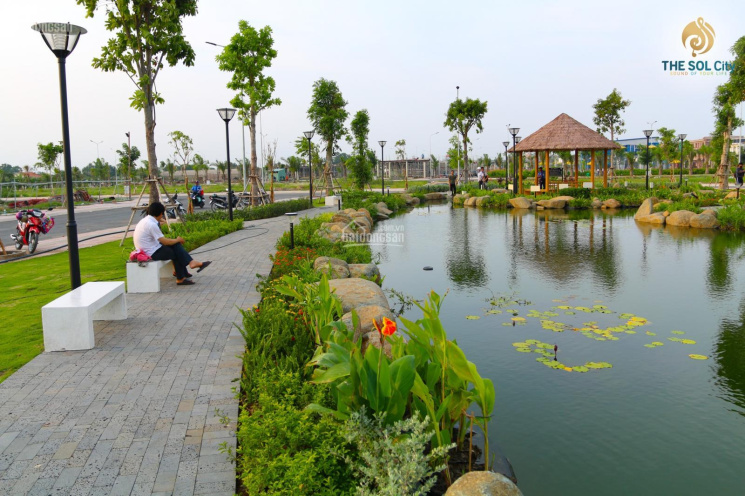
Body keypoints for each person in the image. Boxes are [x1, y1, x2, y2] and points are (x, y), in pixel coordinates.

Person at [133, 202, 211, 286]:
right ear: (160, 213)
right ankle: (181, 278)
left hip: (148, 249)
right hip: (151, 253)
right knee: (175, 251)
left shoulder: (146, 220)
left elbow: (162, 234)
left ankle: (185, 270)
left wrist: (175, 240)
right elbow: (165, 242)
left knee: (175, 245)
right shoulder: (151, 225)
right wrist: (177, 240)